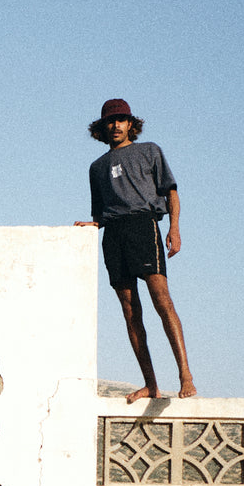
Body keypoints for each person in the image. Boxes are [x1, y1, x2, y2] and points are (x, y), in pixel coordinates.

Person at [75, 98, 196, 402]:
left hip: (143, 226)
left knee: (161, 300)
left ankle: (186, 376)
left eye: (120, 120)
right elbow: (99, 215)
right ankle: (151, 385)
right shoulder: (96, 167)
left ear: (131, 124)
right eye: (109, 122)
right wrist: (91, 227)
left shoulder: (150, 151)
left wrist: (175, 228)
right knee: (131, 312)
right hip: (113, 236)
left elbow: (171, 192)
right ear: (102, 128)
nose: (115, 126)